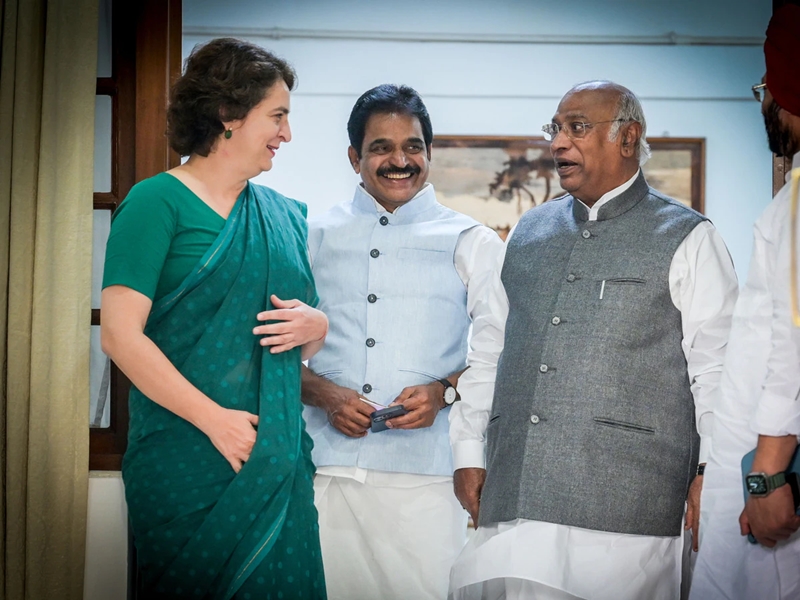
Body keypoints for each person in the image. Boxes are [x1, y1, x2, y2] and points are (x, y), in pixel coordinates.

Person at [448, 80, 739, 600]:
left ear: (627, 137)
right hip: (515, 498)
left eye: (577, 128)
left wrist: (711, 472)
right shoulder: (528, 233)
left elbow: (717, 369)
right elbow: (490, 350)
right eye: (555, 128)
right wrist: (468, 449)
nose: (559, 143)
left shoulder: (689, 236)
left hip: (629, 513)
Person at [100, 38, 328, 599]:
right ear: (229, 114)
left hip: (274, 454)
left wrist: (317, 328)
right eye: (277, 116)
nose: (287, 134)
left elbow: (286, 339)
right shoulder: (156, 202)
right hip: (185, 457)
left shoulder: (283, 216)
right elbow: (120, 336)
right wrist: (215, 421)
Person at [300, 84, 504, 600]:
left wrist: (444, 392)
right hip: (324, 467)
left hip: (428, 477)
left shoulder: (471, 241)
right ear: (355, 157)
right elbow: (269, 345)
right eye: (381, 147)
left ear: (429, 153)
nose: (399, 160)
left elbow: (503, 351)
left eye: (413, 146)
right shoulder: (311, 236)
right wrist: (323, 394)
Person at [690, 6, 800, 599]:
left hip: (769, 471)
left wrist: (767, 476)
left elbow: (793, 345)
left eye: (767, 89)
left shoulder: (797, 203)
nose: (766, 104)